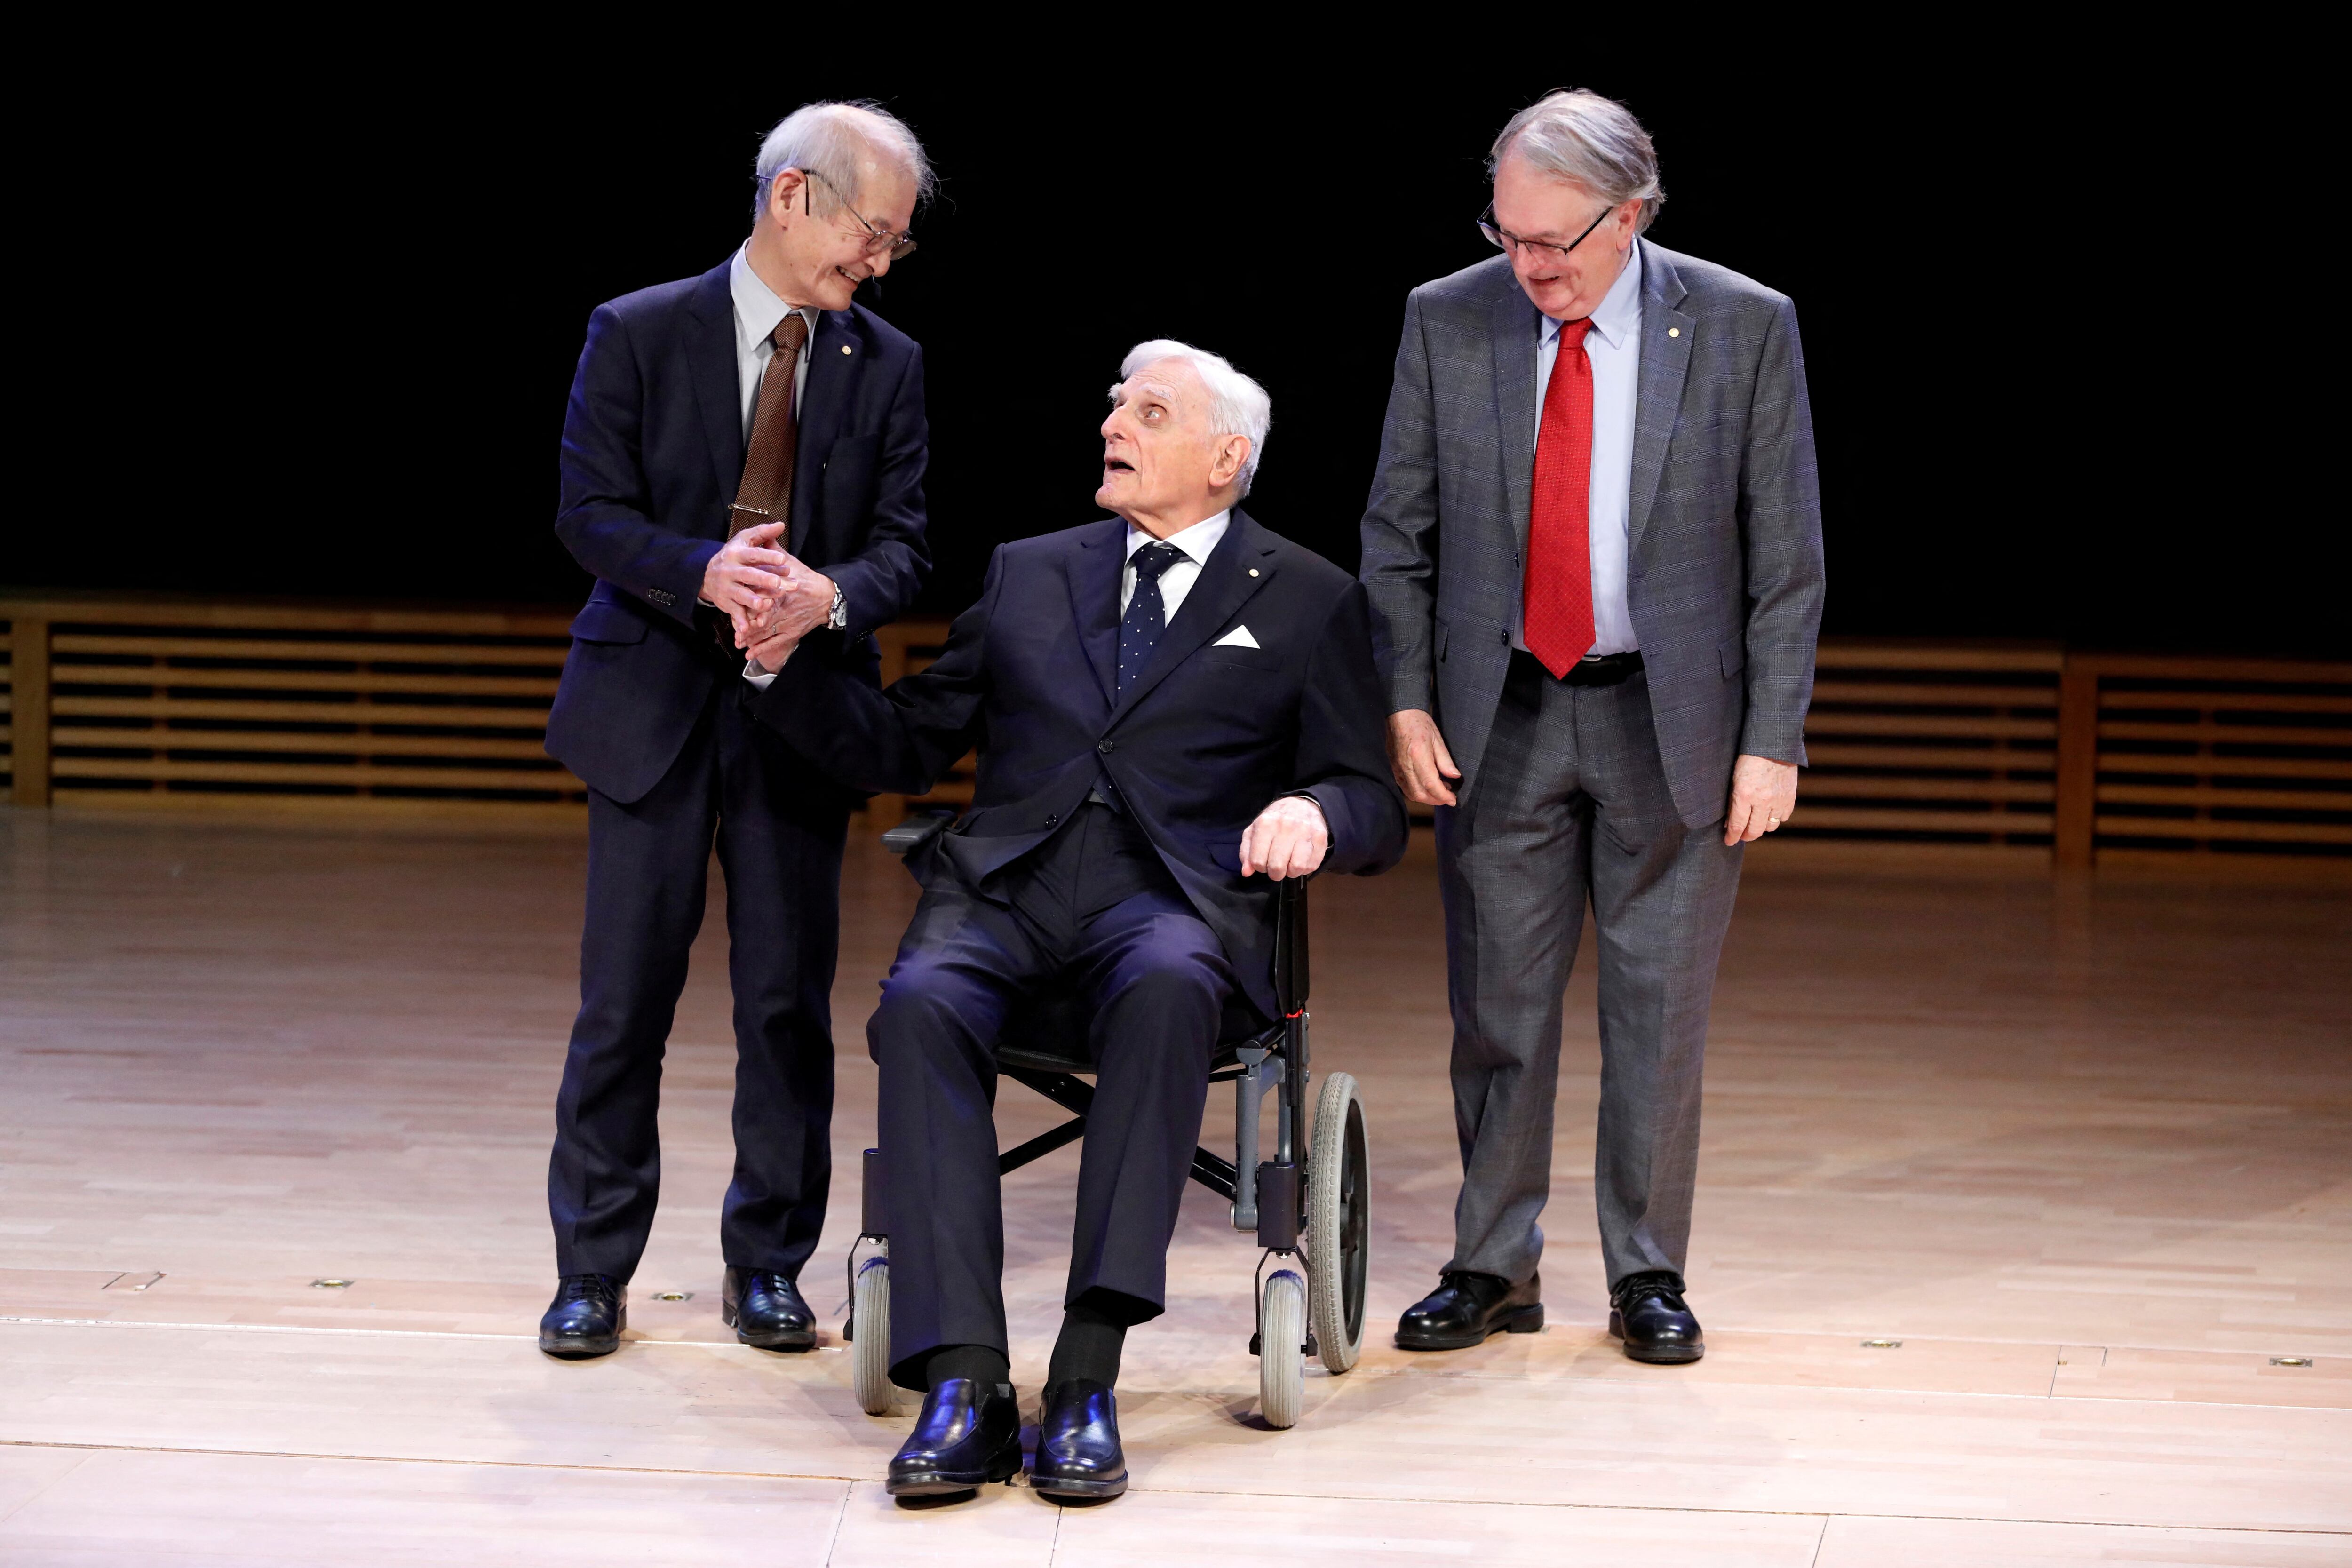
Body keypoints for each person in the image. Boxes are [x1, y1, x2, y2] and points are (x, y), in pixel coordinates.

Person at [741, 341, 1406, 1501]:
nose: (1116, 422)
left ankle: (1088, 1374)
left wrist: (1314, 807)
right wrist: (786, 662)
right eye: (1113, 402)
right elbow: (908, 740)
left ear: (1225, 457)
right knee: (921, 1002)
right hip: (1005, 891)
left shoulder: (1307, 596)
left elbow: (1369, 796)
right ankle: (965, 1381)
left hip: (1175, 900)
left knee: (1164, 985)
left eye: (1150, 410)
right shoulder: (1031, 570)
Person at [1360, 88, 1824, 1365]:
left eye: (1554, 242)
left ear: (1633, 215)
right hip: (1498, 710)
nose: (1528, 267)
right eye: (1508, 236)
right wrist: (1404, 696)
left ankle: (1647, 1270)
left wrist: (1771, 736)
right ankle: (1492, 1260)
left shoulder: (1739, 324)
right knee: (1498, 1006)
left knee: (1657, 1007)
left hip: (1667, 715)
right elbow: (1396, 537)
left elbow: (1788, 559)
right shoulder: (1449, 317)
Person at [535, 101, 936, 1359]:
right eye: (871, 234)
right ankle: (593, 1269)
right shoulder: (639, 329)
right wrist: (702, 570)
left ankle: (769, 1261)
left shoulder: (890, 363)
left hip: (797, 719)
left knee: (783, 1004)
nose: (877, 262)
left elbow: (907, 548)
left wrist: (831, 596)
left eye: (894, 248)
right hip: (649, 703)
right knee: (624, 1004)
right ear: (793, 198)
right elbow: (587, 515)